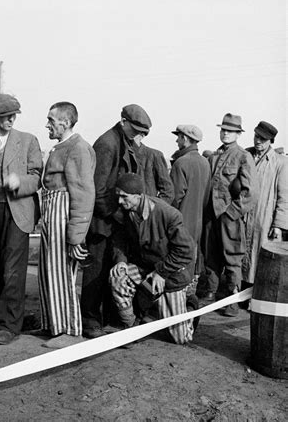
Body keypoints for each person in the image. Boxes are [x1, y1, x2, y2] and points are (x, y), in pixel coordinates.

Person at [81, 104, 173, 339]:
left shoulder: (123, 141)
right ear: (123, 122)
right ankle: (90, 320)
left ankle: (110, 319)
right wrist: (123, 215)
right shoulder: (107, 144)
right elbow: (98, 191)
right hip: (103, 221)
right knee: (96, 273)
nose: (138, 136)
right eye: (135, 130)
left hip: (115, 221)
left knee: (114, 269)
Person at [0, 94, 42, 345]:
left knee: (12, 270)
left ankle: (9, 324)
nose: (10, 120)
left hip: (17, 210)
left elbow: (36, 176)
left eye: (14, 115)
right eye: (5, 116)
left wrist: (19, 182)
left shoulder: (28, 140)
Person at [108, 173, 195, 345]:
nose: (119, 201)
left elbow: (186, 250)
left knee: (180, 338)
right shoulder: (125, 212)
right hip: (145, 269)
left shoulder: (168, 214)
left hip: (171, 274)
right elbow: (119, 240)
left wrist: (161, 273)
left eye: (124, 197)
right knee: (117, 277)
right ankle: (132, 327)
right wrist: (121, 261)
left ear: (139, 196)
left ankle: (190, 305)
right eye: (118, 196)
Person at [39, 101, 96, 349]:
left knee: (63, 273)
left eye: (51, 120)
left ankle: (70, 331)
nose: (47, 124)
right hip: (52, 213)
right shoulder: (59, 148)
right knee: (50, 272)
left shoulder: (78, 148)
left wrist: (76, 236)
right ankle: (54, 325)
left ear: (65, 122)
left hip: (63, 215)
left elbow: (83, 194)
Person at [199, 113, 259, 316]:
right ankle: (211, 292)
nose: (225, 133)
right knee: (211, 254)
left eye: (230, 131)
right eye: (223, 129)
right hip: (211, 215)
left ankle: (232, 298)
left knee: (233, 257)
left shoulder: (243, 156)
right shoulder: (214, 155)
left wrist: (232, 213)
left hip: (229, 216)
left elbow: (251, 192)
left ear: (238, 134)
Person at [243, 121, 287, 285]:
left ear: (271, 141)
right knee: (241, 254)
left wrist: (278, 225)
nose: (258, 141)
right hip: (244, 215)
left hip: (265, 216)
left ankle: (256, 294)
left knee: (260, 256)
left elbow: (284, 197)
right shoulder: (246, 155)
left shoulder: (280, 162)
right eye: (256, 136)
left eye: (263, 139)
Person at [170, 125, 211, 296]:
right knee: (191, 262)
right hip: (198, 223)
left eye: (178, 137)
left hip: (180, 222)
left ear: (185, 139)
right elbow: (207, 196)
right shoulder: (204, 163)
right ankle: (188, 298)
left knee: (177, 265)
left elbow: (174, 198)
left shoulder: (181, 162)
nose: (177, 140)